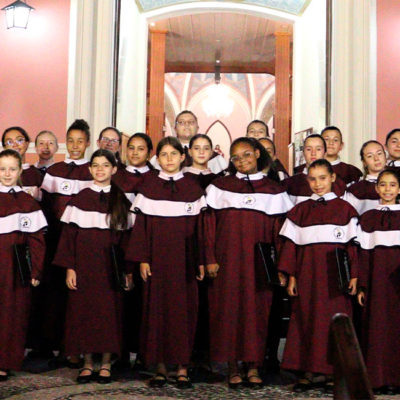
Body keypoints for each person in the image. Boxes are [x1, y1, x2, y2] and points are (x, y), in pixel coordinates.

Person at [204, 137, 293, 389]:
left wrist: (282, 268)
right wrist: (209, 258)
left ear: (257, 153)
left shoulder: (274, 190)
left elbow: (280, 233)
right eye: (236, 157)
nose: (242, 160)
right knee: (228, 312)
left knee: (257, 313)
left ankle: (253, 365)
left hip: (260, 265)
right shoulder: (219, 187)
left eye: (247, 154)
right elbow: (208, 228)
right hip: (226, 262)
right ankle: (232, 366)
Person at [126, 136, 206, 389]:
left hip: (185, 261)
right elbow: (141, 228)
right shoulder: (149, 186)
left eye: (174, 154)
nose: (169, 159)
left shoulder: (193, 188)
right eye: (164, 155)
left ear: (183, 157)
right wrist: (142, 259)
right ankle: (159, 367)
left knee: (184, 312)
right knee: (156, 312)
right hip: (156, 261)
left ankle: (182, 367)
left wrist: (201, 260)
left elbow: (201, 229)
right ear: (156, 158)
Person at [278, 159, 359, 393]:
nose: (317, 184)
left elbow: (353, 247)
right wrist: (291, 276)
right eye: (312, 179)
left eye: (323, 178)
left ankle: (334, 371)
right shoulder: (299, 211)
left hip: (335, 279)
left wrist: (354, 276)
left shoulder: (346, 210)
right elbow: (291, 247)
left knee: (333, 322)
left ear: (333, 178)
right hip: (307, 277)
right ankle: (306, 370)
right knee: (306, 320)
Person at [53, 149, 133, 384]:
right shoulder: (79, 199)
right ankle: (87, 363)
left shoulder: (121, 199)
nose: (100, 169)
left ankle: (106, 362)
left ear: (114, 169)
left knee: (109, 313)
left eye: (105, 165)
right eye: (95, 165)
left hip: (111, 268)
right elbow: (68, 237)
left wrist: (127, 271)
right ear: (89, 169)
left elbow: (127, 240)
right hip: (84, 266)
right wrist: (70, 267)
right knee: (83, 313)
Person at [40, 119, 93, 365]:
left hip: (83, 241)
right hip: (54, 239)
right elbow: (45, 207)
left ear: (88, 143)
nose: (74, 145)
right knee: (55, 294)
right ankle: (55, 345)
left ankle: (79, 346)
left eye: (80, 141)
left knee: (79, 294)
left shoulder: (94, 171)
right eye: (70, 140)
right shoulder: (54, 171)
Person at [0, 149, 47, 381]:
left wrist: (36, 269)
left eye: (12, 169)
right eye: (2, 169)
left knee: (11, 313)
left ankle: (4, 361)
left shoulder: (27, 202)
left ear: (20, 171)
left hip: (14, 267)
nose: (7, 174)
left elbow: (36, 240)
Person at [356, 169, 400, 395]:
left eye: (392, 185)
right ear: (376, 188)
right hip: (377, 284)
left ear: (399, 189)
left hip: (398, 284)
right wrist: (363, 285)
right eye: (383, 185)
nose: (387, 189)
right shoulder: (368, 218)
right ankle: (378, 378)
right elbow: (363, 254)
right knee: (377, 329)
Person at [151, 111, 228, 174]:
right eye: (181, 122)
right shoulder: (162, 155)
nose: (186, 125)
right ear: (175, 129)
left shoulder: (214, 158)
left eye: (191, 122)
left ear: (197, 128)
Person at [283, 134, 346, 204]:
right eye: (309, 149)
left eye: (318, 149)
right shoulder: (290, 184)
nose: (313, 153)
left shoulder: (338, 184)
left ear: (325, 153)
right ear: (303, 152)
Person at [343, 140, 386, 215]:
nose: (376, 158)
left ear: (385, 156)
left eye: (379, 153)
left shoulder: (396, 185)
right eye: (370, 156)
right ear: (364, 162)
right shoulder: (356, 190)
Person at [2, 126, 43, 201]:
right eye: (9, 142)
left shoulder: (36, 174)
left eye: (19, 140)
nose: (15, 145)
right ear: (5, 147)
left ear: (27, 144)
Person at [113, 133, 153, 204]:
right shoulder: (115, 176)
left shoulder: (157, 177)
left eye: (140, 149)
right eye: (131, 148)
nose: (135, 152)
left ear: (149, 153)